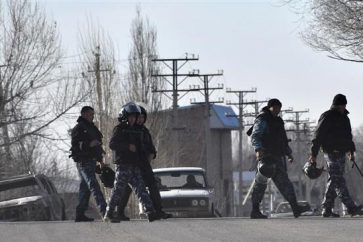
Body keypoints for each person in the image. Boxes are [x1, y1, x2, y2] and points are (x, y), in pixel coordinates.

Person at [249, 98, 306, 219]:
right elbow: (255, 135)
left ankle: (295, 207)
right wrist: (258, 149)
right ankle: (255, 210)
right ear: (270, 107)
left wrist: (289, 154)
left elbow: (282, 140)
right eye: (275, 107)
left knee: (285, 183)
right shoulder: (263, 119)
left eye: (279, 108)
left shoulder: (278, 121)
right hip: (265, 157)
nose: (277, 110)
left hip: (277, 156)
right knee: (260, 184)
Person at [310, 94, 363, 217]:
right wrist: (313, 154)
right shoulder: (327, 116)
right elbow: (318, 136)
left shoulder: (345, 118)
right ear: (336, 105)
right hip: (331, 152)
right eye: (342, 105)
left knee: (334, 179)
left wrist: (351, 151)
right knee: (338, 180)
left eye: (344, 105)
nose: (344, 108)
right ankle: (351, 207)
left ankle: (327, 208)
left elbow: (348, 136)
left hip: (342, 153)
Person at [116, 105, 172, 220]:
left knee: (152, 185)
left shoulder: (144, 131)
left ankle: (158, 210)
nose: (140, 120)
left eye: (142, 117)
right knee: (127, 188)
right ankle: (119, 212)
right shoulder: (129, 129)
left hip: (144, 164)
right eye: (138, 117)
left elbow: (151, 149)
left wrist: (149, 159)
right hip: (132, 164)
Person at [104, 102, 158, 223]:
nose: (133, 119)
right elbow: (112, 144)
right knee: (118, 190)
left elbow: (142, 146)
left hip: (135, 165)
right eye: (131, 117)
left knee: (141, 188)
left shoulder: (138, 130)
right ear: (125, 116)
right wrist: (127, 146)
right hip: (123, 165)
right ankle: (110, 213)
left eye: (135, 117)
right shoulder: (119, 129)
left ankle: (150, 211)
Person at [70, 106, 107, 222]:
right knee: (93, 185)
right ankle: (105, 211)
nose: (93, 116)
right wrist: (89, 144)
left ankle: (80, 214)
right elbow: (75, 146)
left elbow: (98, 146)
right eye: (91, 114)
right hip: (83, 161)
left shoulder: (92, 128)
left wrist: (101, 161)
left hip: (92, 161)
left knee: (85, 188)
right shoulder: (78, 129)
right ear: (84, 114)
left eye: (93, 114)